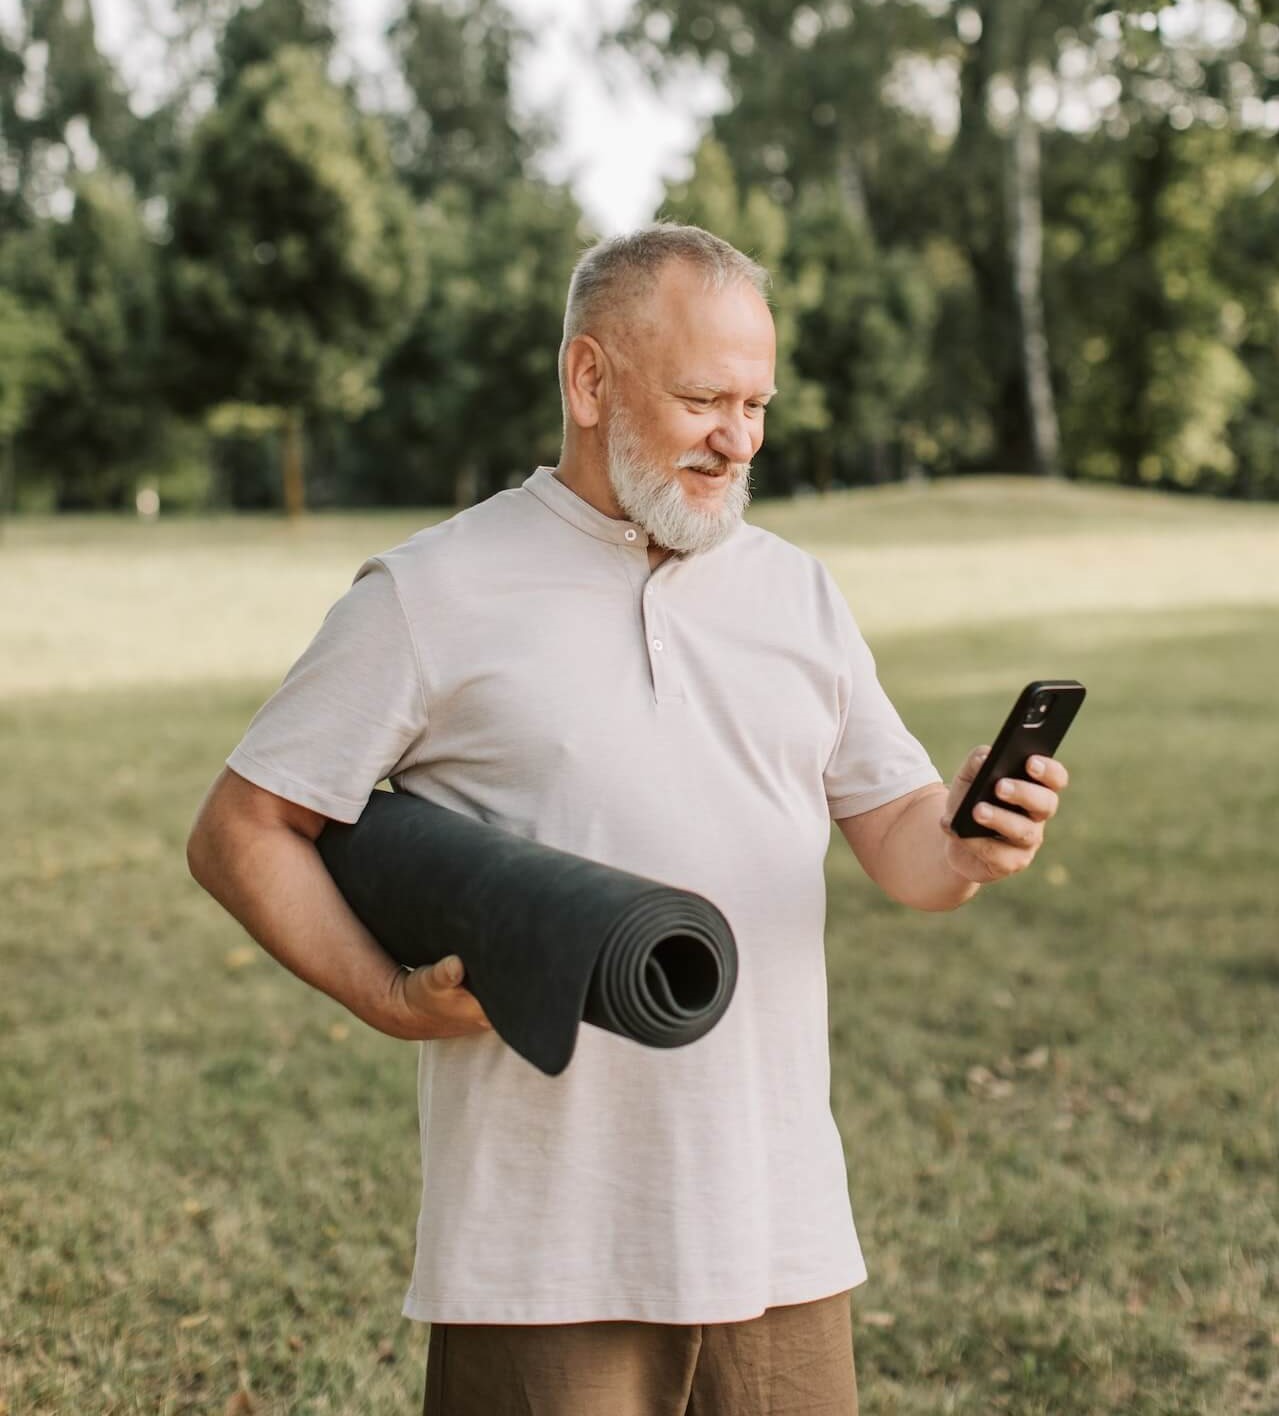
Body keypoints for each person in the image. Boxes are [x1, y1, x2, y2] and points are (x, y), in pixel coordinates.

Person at [187, 223, 1070, 1416]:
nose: (739, 438)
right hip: (542, 1255)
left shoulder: (795, 591)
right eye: (705, 397)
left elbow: (904, 845)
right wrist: (383, 998)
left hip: (781, 1237)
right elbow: (243, 828)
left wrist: (967, 839)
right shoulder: (432, 591)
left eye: (757, 403)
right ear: (589, 379)